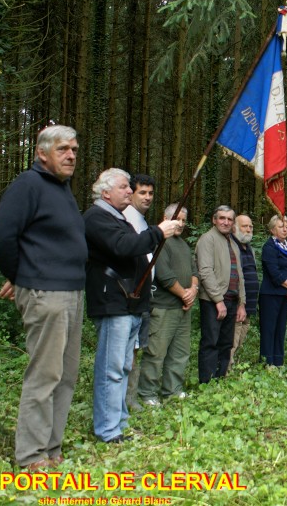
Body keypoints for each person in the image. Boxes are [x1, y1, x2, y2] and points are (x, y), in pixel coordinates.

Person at [0, 125, 86, 471]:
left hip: (72, 292)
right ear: (42, 153)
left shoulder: (61, 189)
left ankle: (51, 447)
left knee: (66, 374)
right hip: (47, 293)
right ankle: (31, 456)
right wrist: (22, 276)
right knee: (44, 375)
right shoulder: (27, 185)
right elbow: (1, 239)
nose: (71, 155)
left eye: (74, 149)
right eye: (62, 149)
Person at [83, 168, 179, 443]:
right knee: (111, 368)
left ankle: (119, 423)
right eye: (125, 187)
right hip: (113, 303)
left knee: (124, 366)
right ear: (106, 193)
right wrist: (159, 232)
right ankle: (108, 430)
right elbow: (125, 247)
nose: (130, 191)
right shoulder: (97, 218)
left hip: (129, 303)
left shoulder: (117, 218)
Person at [137, 204, 198, 405]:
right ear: (165, 217)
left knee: (180, 352)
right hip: (163, 307)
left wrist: (193, 290)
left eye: (183, 220)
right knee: (156, 352)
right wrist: (185, 295)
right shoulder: (159, 242)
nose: (180, 224)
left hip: (182, 308)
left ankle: (172, 390)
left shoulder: (183, 244)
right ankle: (148, 393)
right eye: (176, 219)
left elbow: (194, 272)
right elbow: (164, 276)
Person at [196, 205, 247, 382]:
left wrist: (242, 303)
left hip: (233, 300)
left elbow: (239, 274)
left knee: (226, 343)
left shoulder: (233, 242)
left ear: (233, 223)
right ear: (214, 219)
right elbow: (205, 271)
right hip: (213, 301)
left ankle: (220, 378)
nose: (225, 222)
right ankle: (206, 382)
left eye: (229, 219)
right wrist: (218, 300)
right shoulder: (207, 240)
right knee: (210, 341)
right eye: (222, 218)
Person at [122, 173, 156, 412]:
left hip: (144, 295)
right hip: (128, 295)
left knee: (136, 348)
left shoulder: (142, 220)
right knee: (126, 351)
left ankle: (130, 398)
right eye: (142, 192)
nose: (147, 197)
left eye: (150, 193)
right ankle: (124, 401)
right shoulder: (126, 218)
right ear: (131, 193)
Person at [259, 214, 287, 367]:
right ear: (272, 230)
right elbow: (274, 273)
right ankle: (266, 363)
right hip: (270, 294)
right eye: (281, 227)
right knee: (269, 329)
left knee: (280, 329)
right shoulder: (269, 247)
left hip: (286, 295)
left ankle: (278, 362)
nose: (285, 229)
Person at [229, 214, 260, 371]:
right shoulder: (231, 246)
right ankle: (225, 369)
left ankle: (231, 364)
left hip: (250, 303)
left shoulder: (249, 249)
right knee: (232, 336)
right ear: (234, 227)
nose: (248, 229)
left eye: (250, 226)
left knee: (241, 337)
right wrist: (240, 301)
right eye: (244, 226)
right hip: (237, 302)